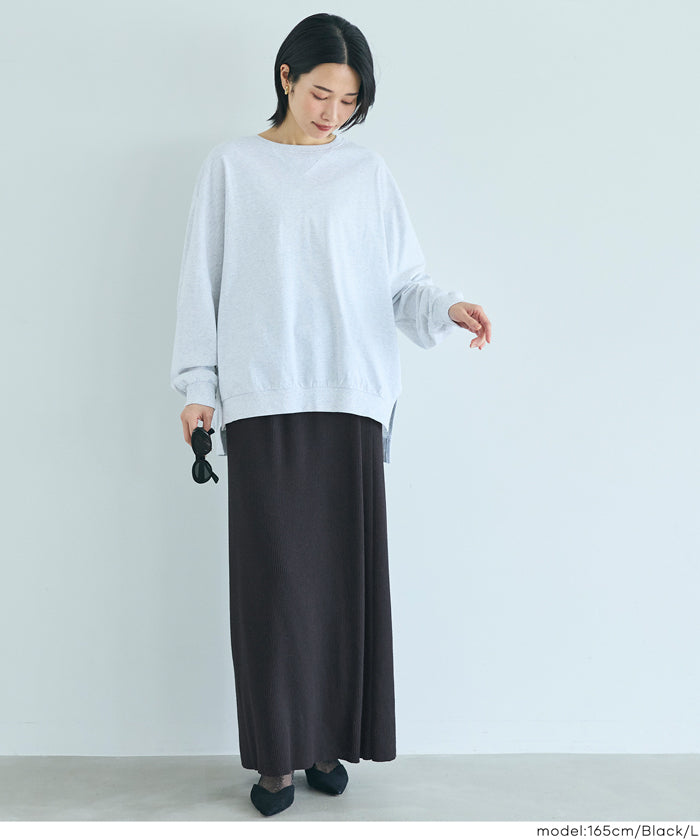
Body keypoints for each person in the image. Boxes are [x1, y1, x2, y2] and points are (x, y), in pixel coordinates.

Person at [170, 12, 491, 818]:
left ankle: (326, 743)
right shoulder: (233, 168)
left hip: (351, 399)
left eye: (349, 102)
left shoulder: (366, 174)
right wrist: (197, 386)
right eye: (321, 93)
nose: (333, 114)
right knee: (276, 589)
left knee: (342, 589)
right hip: (264, 399)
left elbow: (401, 284)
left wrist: (446, 308)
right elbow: (200, 283)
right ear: (286, 76)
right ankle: (277, 758)